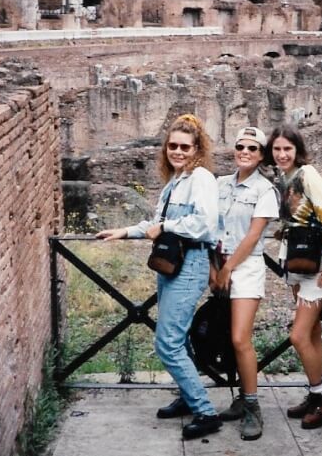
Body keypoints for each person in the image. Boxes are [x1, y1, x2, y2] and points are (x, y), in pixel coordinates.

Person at [96, 114, 222, 440]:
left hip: (191, 265)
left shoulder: (202, 178)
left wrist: (166, 227)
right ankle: (187, 396)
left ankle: (206, 412)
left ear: (197, 149)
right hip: (170, 266)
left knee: (166, 343)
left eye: (184, 146)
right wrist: (123, 231)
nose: (177, 151)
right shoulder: (174, 182)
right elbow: (155, 223)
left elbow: (205, 225)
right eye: (172, 146)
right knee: (177, 339)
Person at [265, 124, 322, 430]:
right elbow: (302, 215)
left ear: (297, 150)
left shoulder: (308, 174)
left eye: (287, 149)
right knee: (311, 335)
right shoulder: (282, 178)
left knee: (298, 335)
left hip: (319, 266)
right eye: (277, 149)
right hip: (298, 262)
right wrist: (283, 228)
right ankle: (315, 395)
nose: (282, 154)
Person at [213, 127, 279, 441]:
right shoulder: (219, 184)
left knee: (241, 339)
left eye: (253, 148)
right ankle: (240, 398)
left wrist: (227, 269)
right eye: (241, 146)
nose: (245, 152)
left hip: (246, 267)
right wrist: (215, 269)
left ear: (262, 155)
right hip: (220, 266)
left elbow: (254, 236)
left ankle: (253, 406)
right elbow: (212, 228)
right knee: (226, 337)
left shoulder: (265, 190)